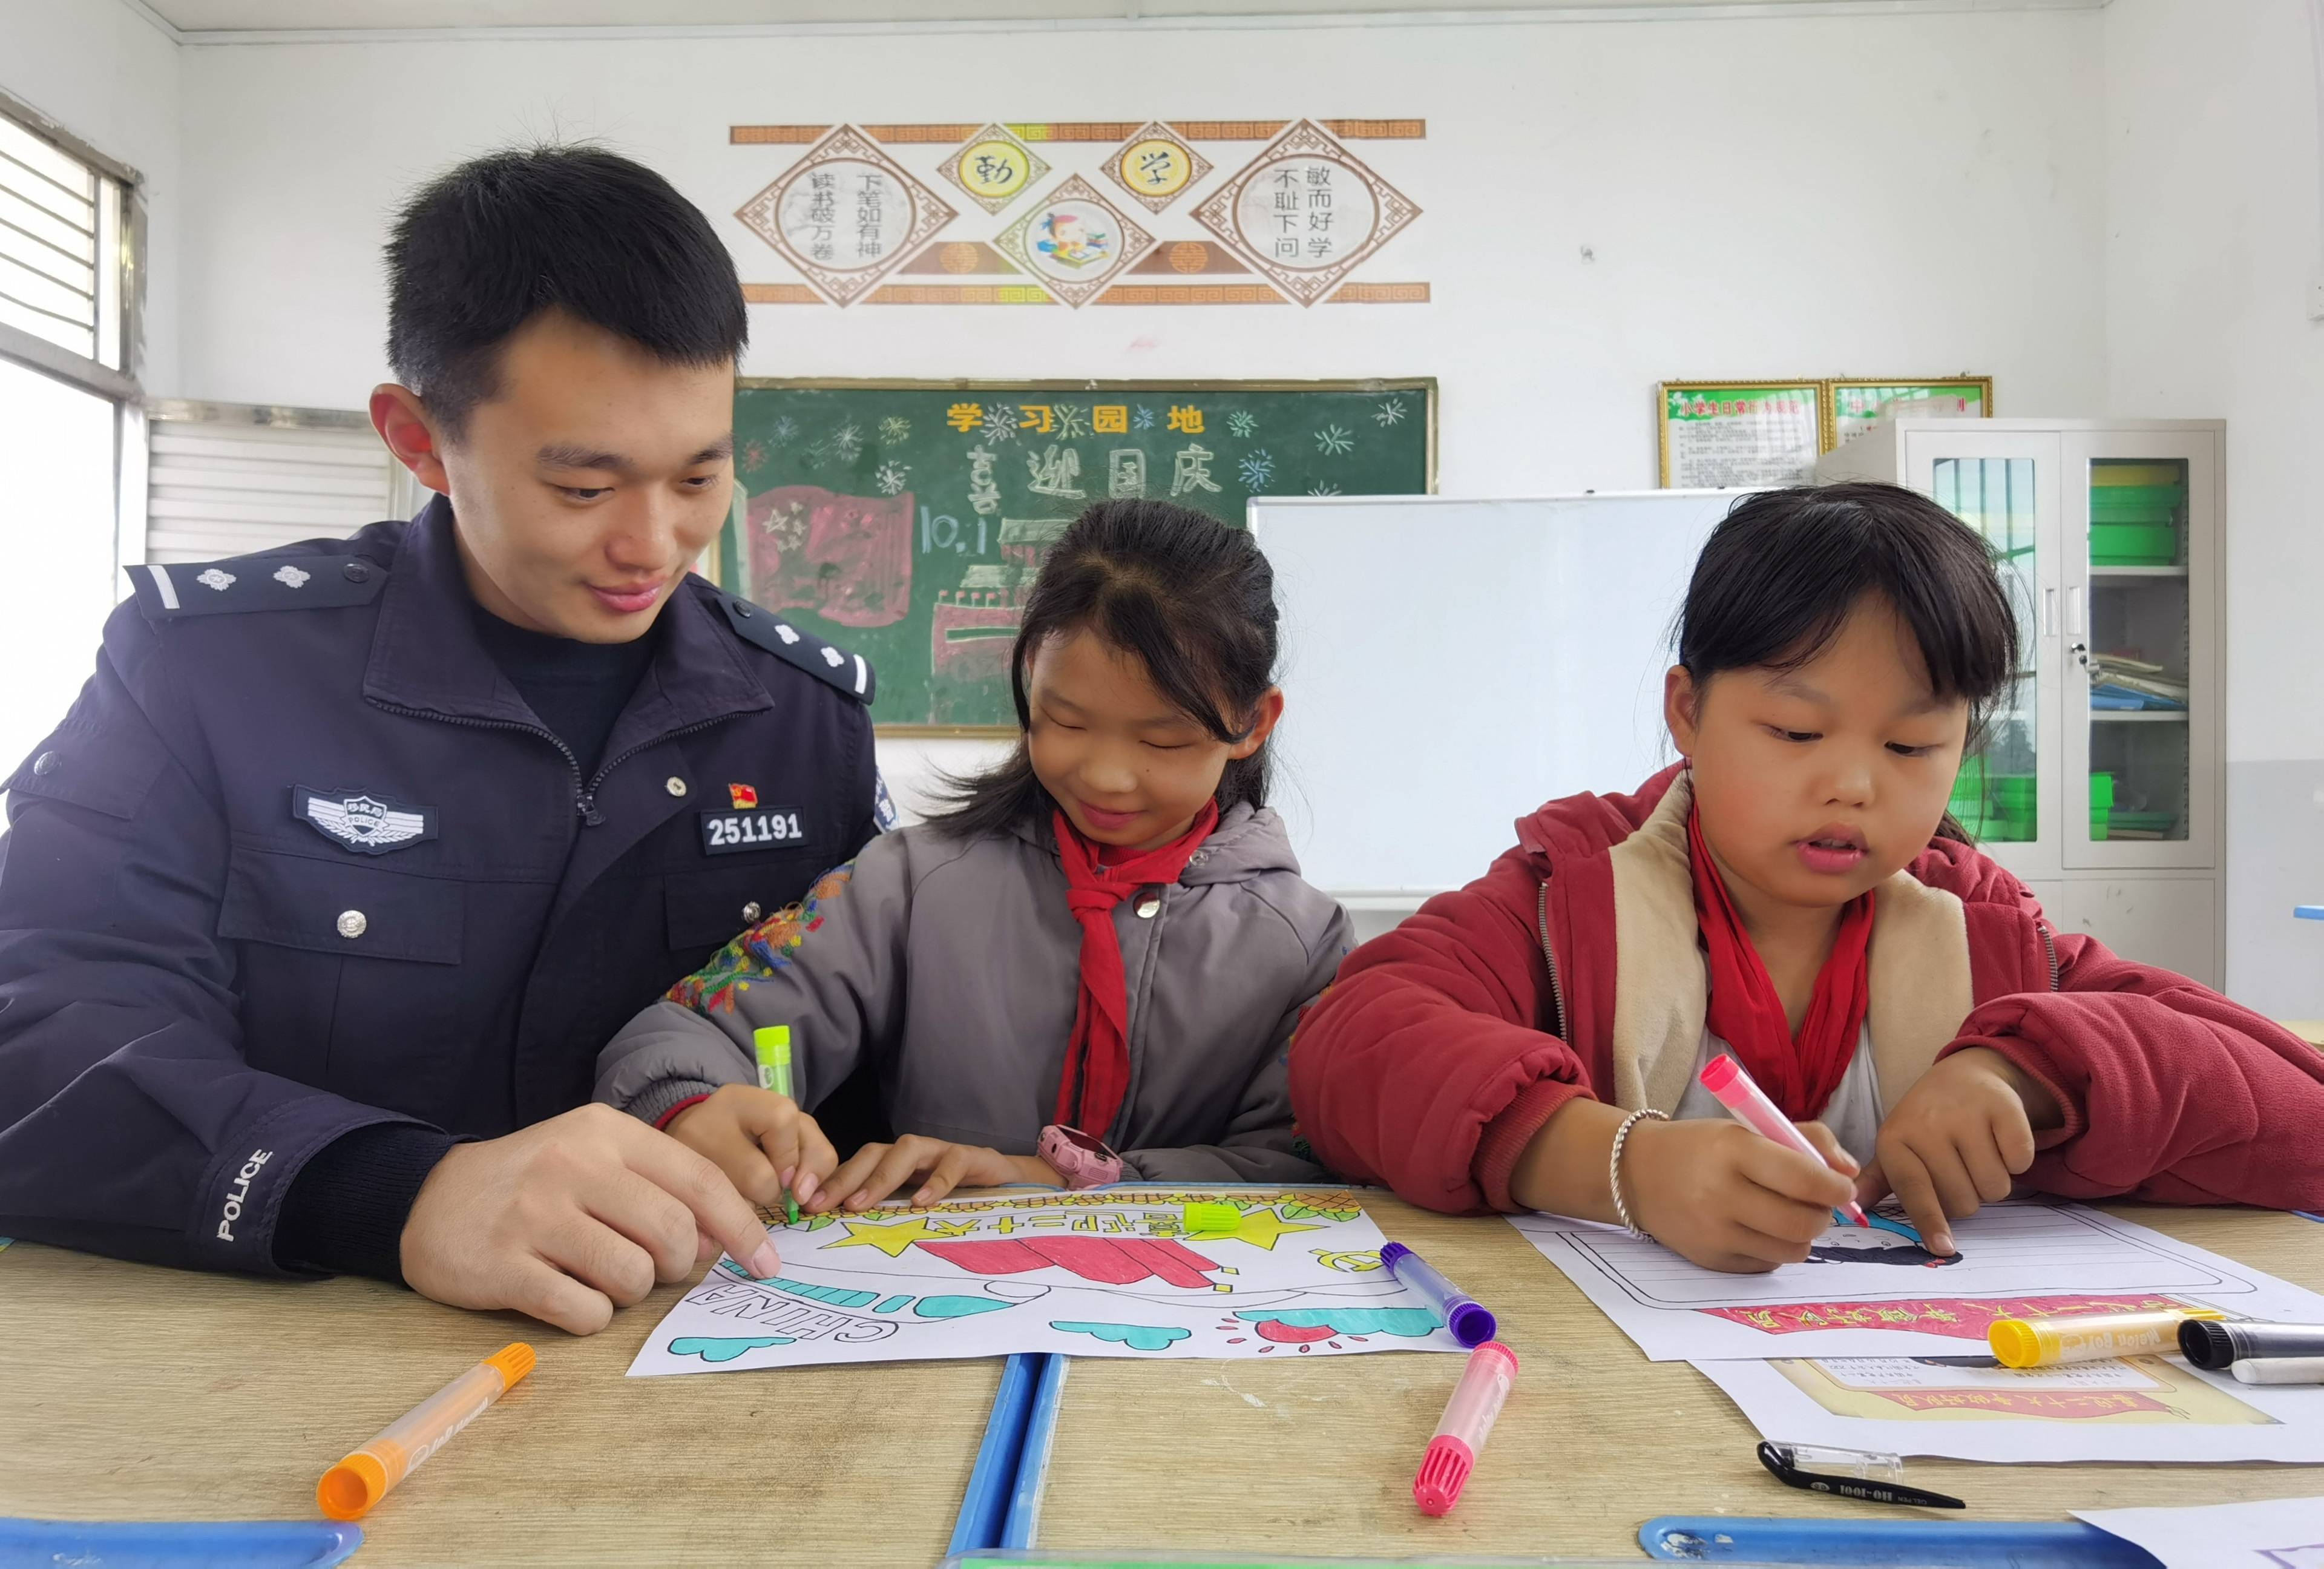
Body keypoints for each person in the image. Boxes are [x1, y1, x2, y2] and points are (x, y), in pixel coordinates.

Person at [0, 145, 888, 1334]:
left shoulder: (798, 718)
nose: (655, 543)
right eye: (585, 488)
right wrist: (391, 1191)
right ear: (418, 440)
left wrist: (759, 1124)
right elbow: (48, 1032)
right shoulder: (209, 672)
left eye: (698, 475)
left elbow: (867, 1054)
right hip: (275, 1355)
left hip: (690, 1363)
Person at [1288, 482, 2324, 1270]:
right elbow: (1350, 1044)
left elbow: (2289, 1109)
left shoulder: (1983, 934)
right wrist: (1619, 1164)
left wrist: (2028, 1077)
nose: (1853, 785)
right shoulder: (1569, 900)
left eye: (1914, 746)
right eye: (1796, 730)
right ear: (1687, 711)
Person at [596, 500, 1352, 1211]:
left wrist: (1049, 1180)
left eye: (1162, 741)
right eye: (1065, 721)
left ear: (1254, 723)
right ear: (1029, 681)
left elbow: (1295, 1169)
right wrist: (699, 1105)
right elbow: (680, 1035)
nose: (1106, 776)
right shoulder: (911, 885)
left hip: (1190, 1334)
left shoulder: (1303, 944)